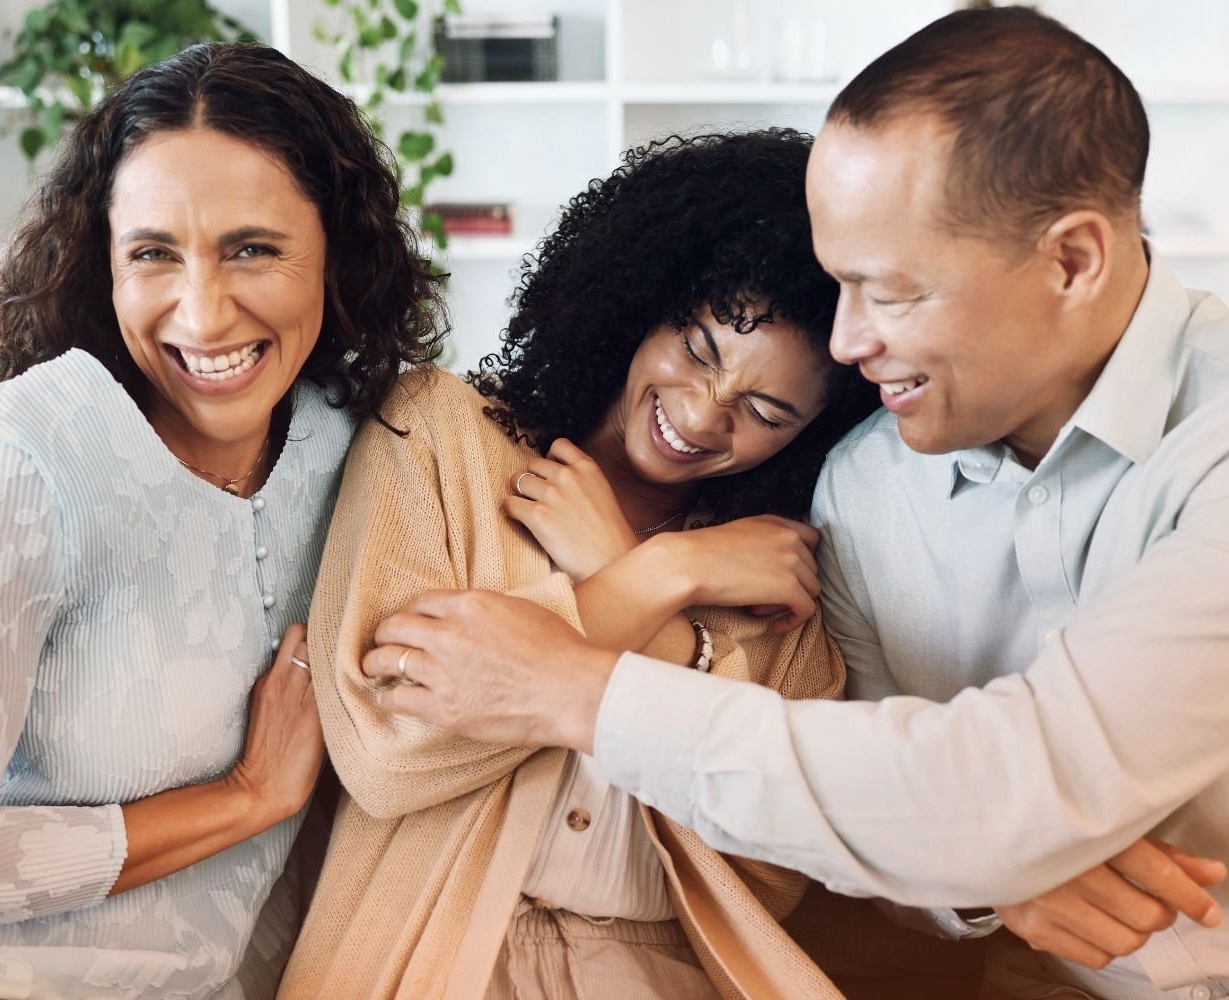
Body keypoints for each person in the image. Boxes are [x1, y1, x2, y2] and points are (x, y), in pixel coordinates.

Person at [351, 8, 1229, 1000]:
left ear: (1072, 261)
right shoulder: (867, 481)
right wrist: (985, 874)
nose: (851, 342)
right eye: (839, 284)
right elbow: (865, 783)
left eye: (892, 290)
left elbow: (1007, 785)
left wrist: (574, 683)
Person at [0, 43, 442, 1000]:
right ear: (103, 264)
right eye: (154, 253)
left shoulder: (361, 448)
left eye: (253, 248)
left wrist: (681, 576)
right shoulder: (15, 458)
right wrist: (247, 798)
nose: (202, 314)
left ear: (338, 252)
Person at [278, 130, 882, 999]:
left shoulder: (774, 562)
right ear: (642, 302)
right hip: (434, 960)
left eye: (763, 408)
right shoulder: (441, 433)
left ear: (810, 437)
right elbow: (387, 753)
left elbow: (775, 872)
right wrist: (662, 575)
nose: (703, 416)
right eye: (697, 349)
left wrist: (642, 584)